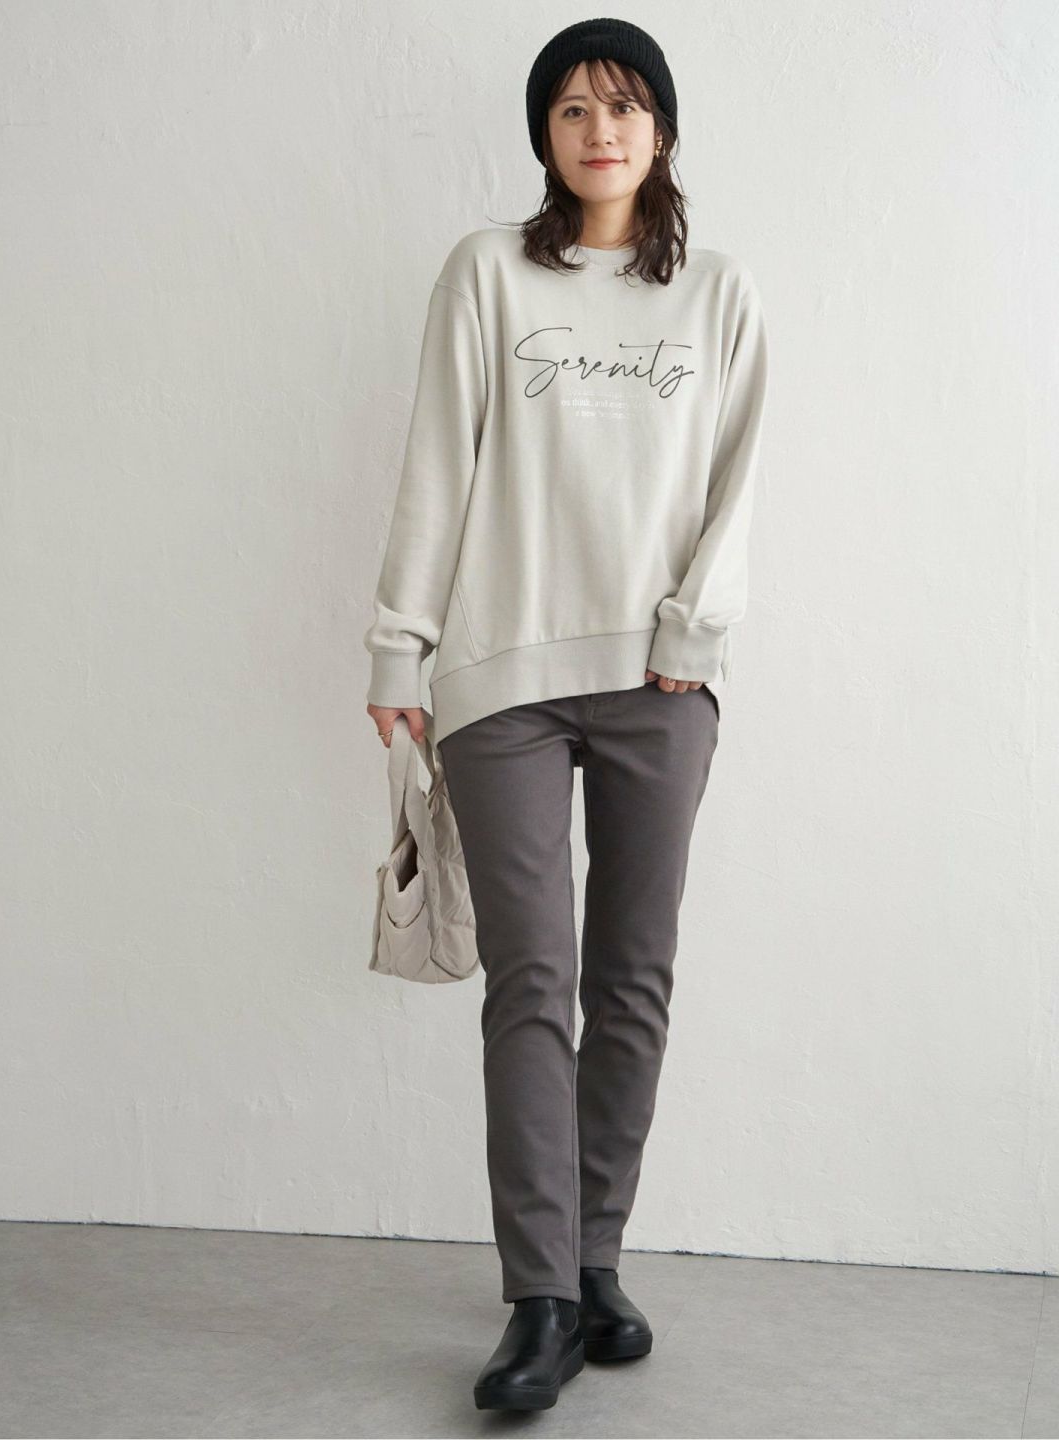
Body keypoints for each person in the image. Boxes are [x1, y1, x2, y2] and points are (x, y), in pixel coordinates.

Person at [363, 17, 768, 1413]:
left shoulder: (717, 293)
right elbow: (436, 459)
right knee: (531, 981)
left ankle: (598, 1264)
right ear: (545, 134)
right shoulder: (488, 273)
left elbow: (740, 475)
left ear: (663, 131)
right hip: (503, 679)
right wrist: (401, 650)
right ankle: (538, 1300)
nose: (601, 130)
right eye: (574, 108)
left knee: (631, 978)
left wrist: (692, 630)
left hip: (662, 681)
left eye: (625, 105)